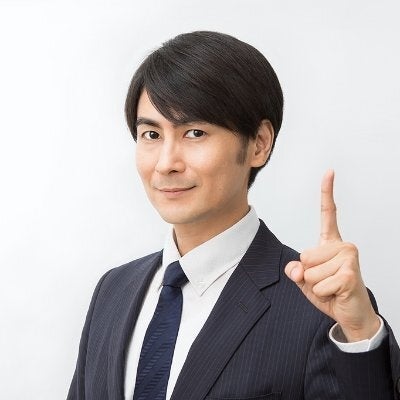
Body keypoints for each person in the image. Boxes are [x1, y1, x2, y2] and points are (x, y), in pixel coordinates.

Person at [67, 31, 400, 399]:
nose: (165, 163)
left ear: (259, 143)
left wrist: (361, 334)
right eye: (151, 134)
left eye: (195, 133)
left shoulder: (320, 307)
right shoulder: (113, 291)